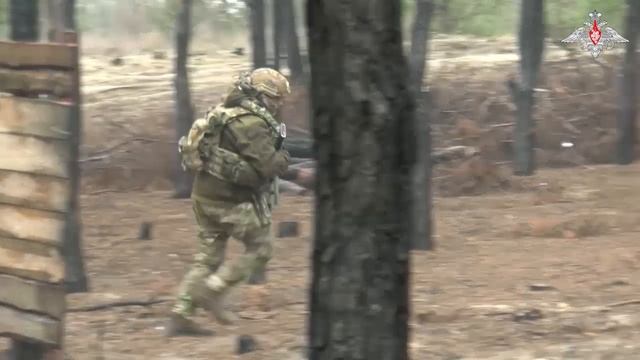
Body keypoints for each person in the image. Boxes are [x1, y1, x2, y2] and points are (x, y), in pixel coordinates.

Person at [167, 68, 291, 336]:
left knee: (208, 257)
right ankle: (214, 290)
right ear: (260, 95)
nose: (279, 104)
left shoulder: (226, 110)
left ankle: (182, 312)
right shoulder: (252, 123)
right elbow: (268, 166)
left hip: (204, 197)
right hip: (228, 203)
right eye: (275, 98)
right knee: (262, 247)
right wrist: (285, 158)